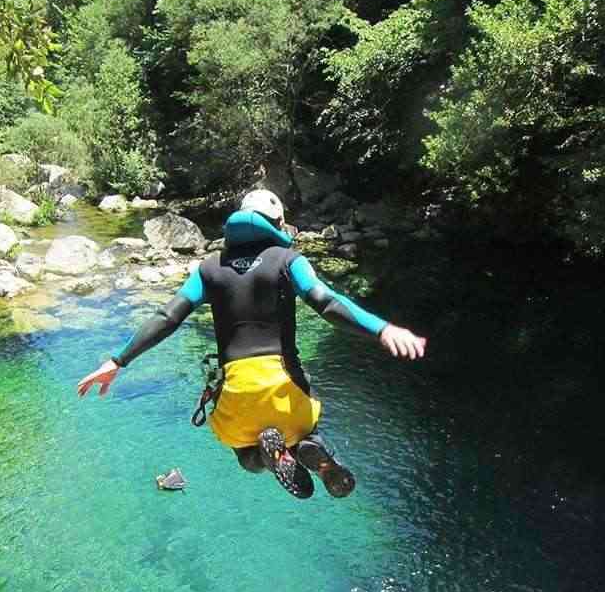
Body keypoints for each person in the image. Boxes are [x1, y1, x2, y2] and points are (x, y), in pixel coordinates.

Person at [76, 189, 427, 499]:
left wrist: (118, 361)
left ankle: (262, 457)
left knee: (243, 453)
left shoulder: (209, 269)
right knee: (306, 428)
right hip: (285, 389)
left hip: (237, 395)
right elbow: (327, 302)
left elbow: (167, 318)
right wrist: (381, 329)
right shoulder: (289, 261)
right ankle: (313, 452)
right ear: (278, 223)